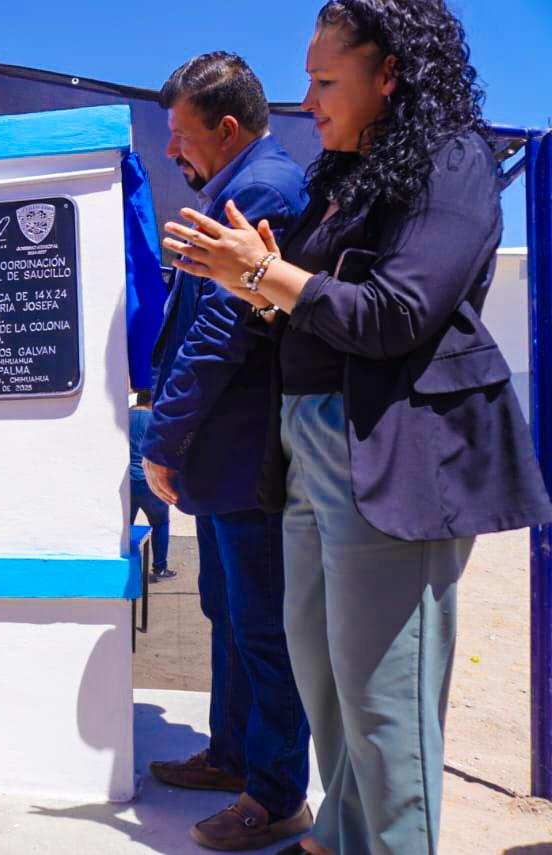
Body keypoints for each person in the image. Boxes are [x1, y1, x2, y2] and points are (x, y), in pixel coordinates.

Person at [161, 2, 552, 853]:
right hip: (308, 455)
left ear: (391, 75)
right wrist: (249, 281)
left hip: (390, 455)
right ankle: (335, 836)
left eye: (325, 80)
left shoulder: (454, 163)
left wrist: (266, 272)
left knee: (385, 703)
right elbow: (303, 310)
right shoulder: (343, 178)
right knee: (326, 682)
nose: (307, 100)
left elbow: (397, 313)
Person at [142, 52, 313, 852]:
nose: (173, 150)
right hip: (224, 462)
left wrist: (163, 439)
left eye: (182, 135)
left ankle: (277, 794)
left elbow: (220, 333)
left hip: (247, 458)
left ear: (229, 128)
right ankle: (234, 755)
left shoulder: (264, 190)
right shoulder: (233, 189)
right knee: (227, 616)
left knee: (263, 629)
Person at [127, 390, 173, 581]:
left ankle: (128, 565)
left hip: (126, 482)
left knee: (125, 526)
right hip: (149, 482)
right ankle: (159, 568)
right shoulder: (156, 419)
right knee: (160, 523)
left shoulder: (124, 415)